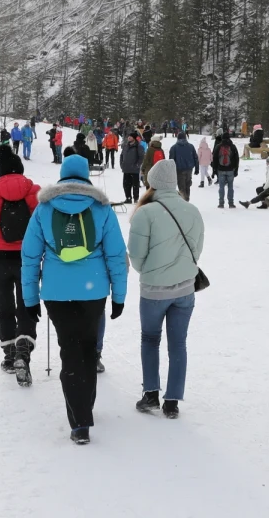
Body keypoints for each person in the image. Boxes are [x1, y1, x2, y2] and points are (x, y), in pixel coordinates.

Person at [21, 154, 128, 445]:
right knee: (88, 348)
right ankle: (85, 407)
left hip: (56, 293)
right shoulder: (102, 209)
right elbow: (117, 256)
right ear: (86, 177)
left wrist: (30, 299)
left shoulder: (43, 209)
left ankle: (79, 421)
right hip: (93, 292)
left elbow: (30, 257)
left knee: (69, 350)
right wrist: (119, 296)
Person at [128, 159, 203, 419]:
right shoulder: (192, 210)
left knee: (150, 339)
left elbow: (136, 256)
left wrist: (150, 271)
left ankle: (151, 394)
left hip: (154, 291)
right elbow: (197, 250)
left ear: (152, 182)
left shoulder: (145, 213)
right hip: (184, 290)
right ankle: (172, 401)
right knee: (178, 343)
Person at [0, 146, 40, 383]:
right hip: (27, 258)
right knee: (27, 304)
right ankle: (24, 349)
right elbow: (41, 226)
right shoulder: (34, 192)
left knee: (4, 305)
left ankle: (10, 354)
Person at [168, 132, 198, 200]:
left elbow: (171, 161)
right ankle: (187, 200)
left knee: (181, 187)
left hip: (179, 170)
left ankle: (183, 202)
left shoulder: (174, 147)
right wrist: (197, 168)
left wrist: (171, 172)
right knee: (188, 186)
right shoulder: (191, 146)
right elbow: (195, 158)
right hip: (189, 169)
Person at [212, 134, 239, 208]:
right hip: (230, 170)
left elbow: (214, 159)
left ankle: (221, 203)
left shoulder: (218, 146)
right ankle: (231, 203)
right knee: (230, 187)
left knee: (221, 187)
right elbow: (237, 159)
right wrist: (236, 170)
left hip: (221, 170)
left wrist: (214, 170)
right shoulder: (233, 147)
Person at [120, 131, 144, 203]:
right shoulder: (125, 146)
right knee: (126, 185)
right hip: (126, 169)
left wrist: (137, 165)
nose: (129, 138)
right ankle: (128, 198)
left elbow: (141, 157)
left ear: (134, 138)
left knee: (135, 185)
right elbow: (121, 155)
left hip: (134, 169)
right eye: (128, 136)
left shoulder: (139, 146)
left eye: (130, 137)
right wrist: (122, 164)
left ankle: (136, 198)